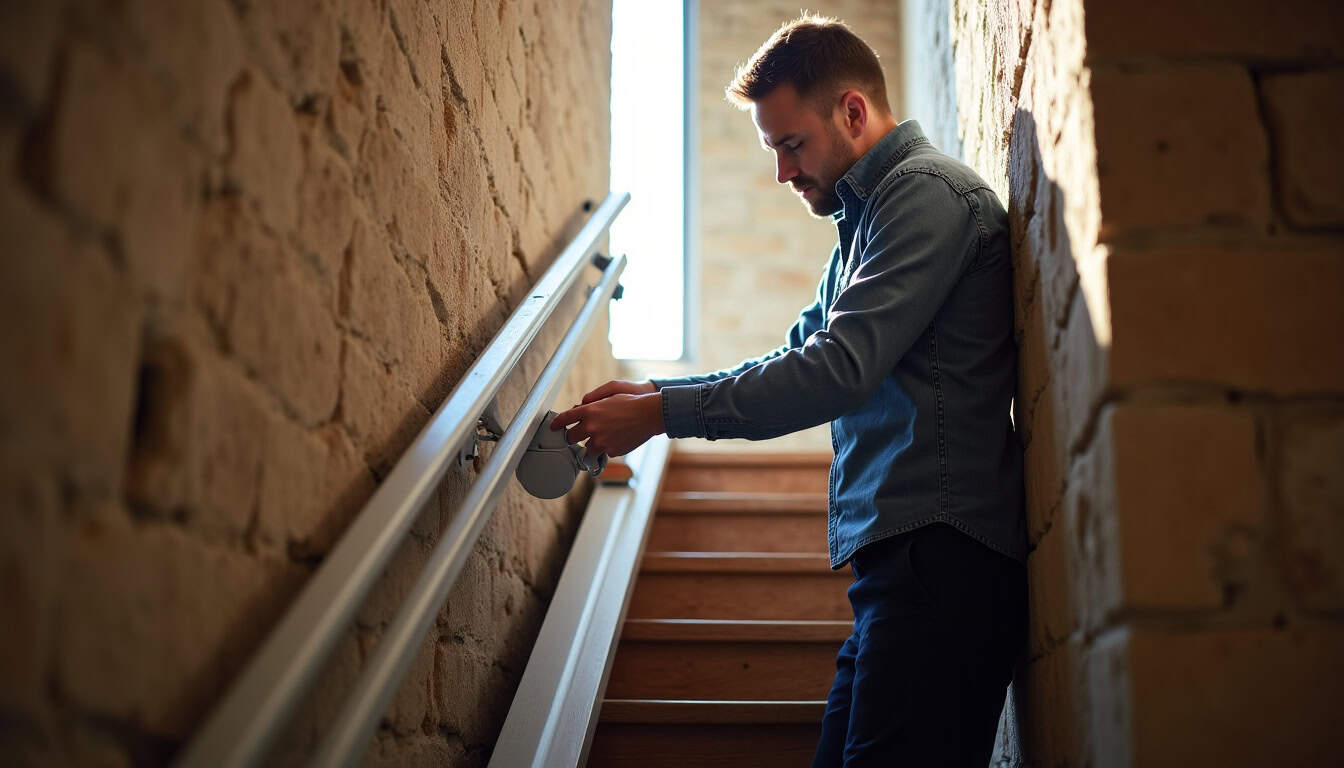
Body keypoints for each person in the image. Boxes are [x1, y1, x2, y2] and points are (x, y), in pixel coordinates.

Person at [551, 14, 1026, 767]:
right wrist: (653, 398)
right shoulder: (865, 226)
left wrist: (662, 414)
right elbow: (797, 351)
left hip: (942, 558)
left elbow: (836, 369)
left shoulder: (926, 196)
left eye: (790, 144)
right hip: (898, 567)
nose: (782, 173)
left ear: (853, 112)